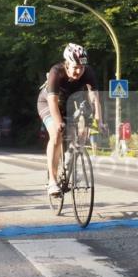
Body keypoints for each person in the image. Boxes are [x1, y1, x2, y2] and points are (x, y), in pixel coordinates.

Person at [37, 43, 102, 195]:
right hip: (48, 102)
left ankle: (68, 161)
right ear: (67, 64)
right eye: (75, 67)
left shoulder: (88, 72)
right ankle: (52, 181)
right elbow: (52, 102)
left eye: (82, 67)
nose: (79, 71)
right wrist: (59, 122)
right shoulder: (56, 72)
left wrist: (99, 120)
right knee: (56, 134)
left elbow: (94, 98)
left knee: (81, 130)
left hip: (70, 102)